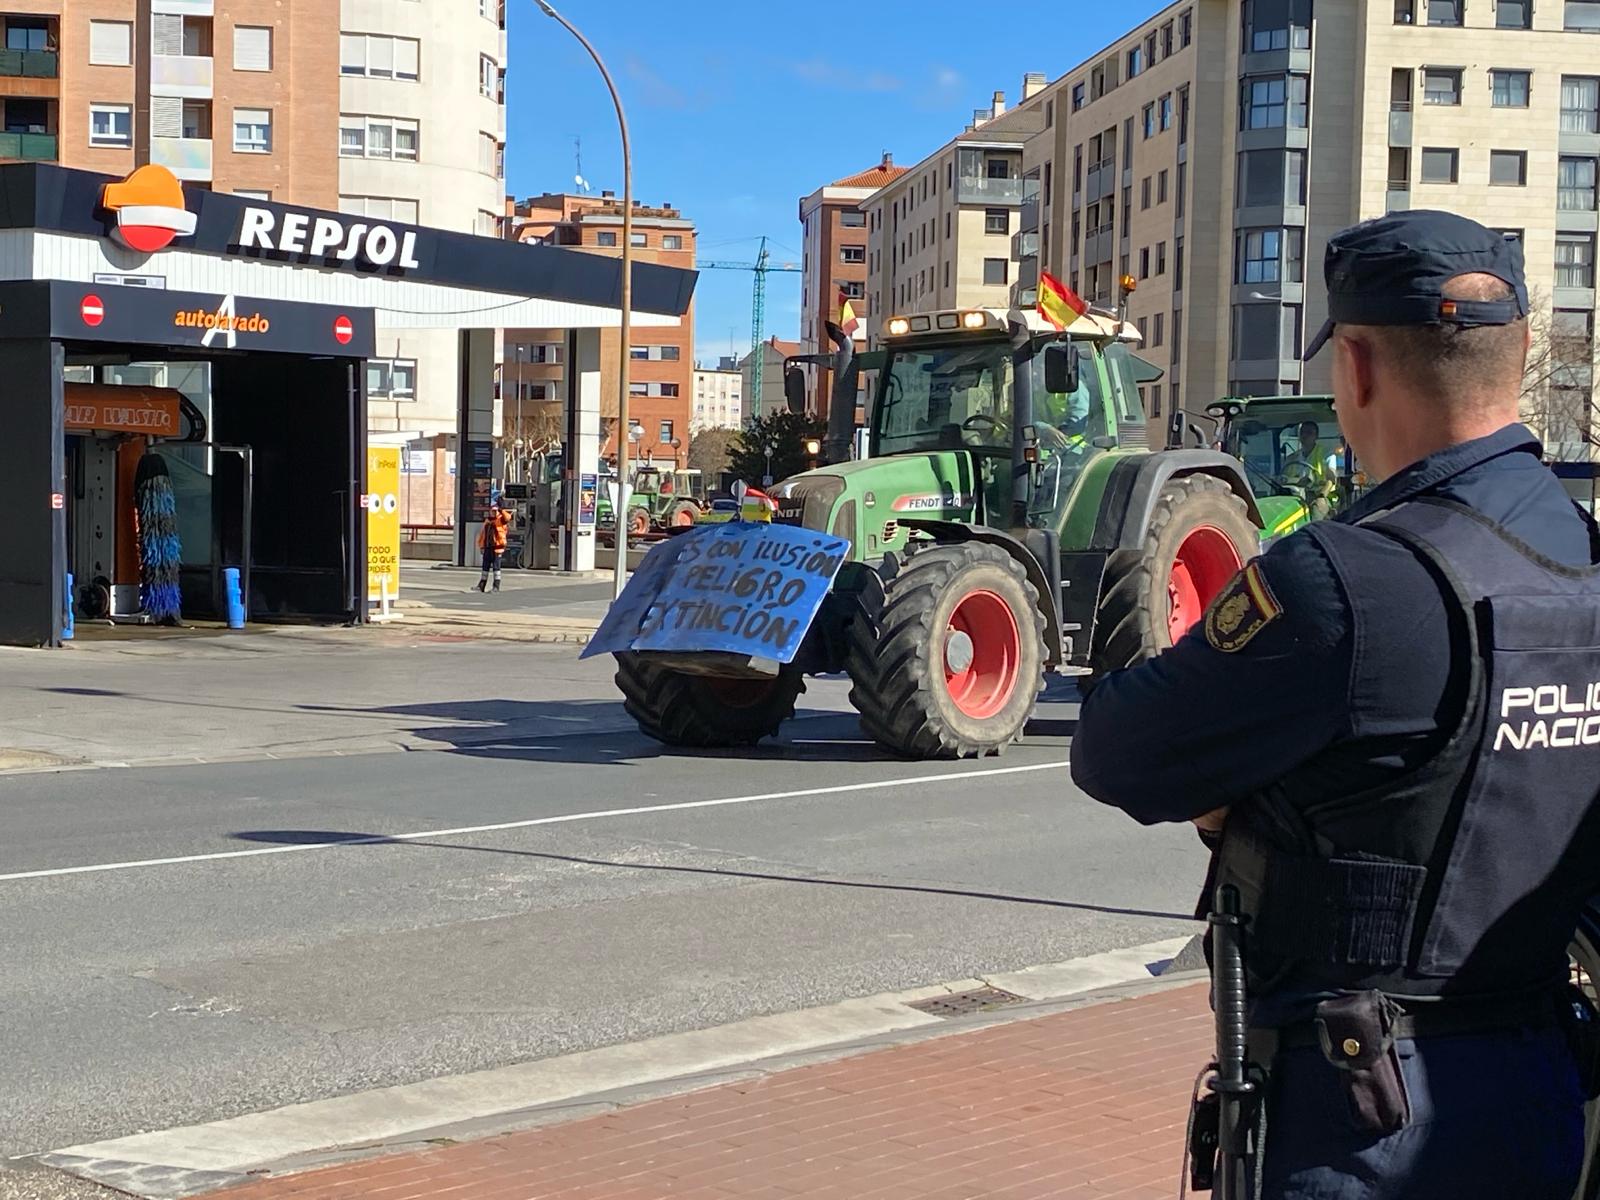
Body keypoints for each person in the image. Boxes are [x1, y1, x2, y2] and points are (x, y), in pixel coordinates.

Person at [1071, 210, 1600, 1198]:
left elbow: (1116, 749)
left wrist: (1250, 789)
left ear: (1353, 367)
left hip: (1358, 1116)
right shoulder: (1584, 560)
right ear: (1520, 352)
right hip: (1540, 1094)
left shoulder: (1341, 578)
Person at [475, 492, 512, 592]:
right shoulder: (488, 521)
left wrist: (502, 509)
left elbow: (508, 518)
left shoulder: (501, 520)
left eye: (495, 511)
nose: (493, 512)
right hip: (488, 547)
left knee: (496, 568)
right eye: (491, 510)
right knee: (485, 568)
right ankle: (481, 585)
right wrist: (481, 546)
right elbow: (483, 535)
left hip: (497, 549)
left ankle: (496, 586)